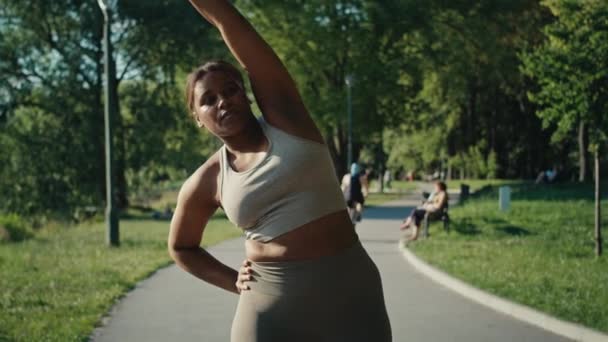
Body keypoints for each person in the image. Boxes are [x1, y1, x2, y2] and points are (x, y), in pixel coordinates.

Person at [167, 2, 392, 341]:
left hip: (351, 294)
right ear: (198, 118)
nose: (223, 101)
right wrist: (233, 282)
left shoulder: (287, 120)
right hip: (270, 307)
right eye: (208, 100)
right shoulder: (207, 180)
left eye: (230, 90)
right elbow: (182, 247)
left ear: (248, 95)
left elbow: (231, 22)